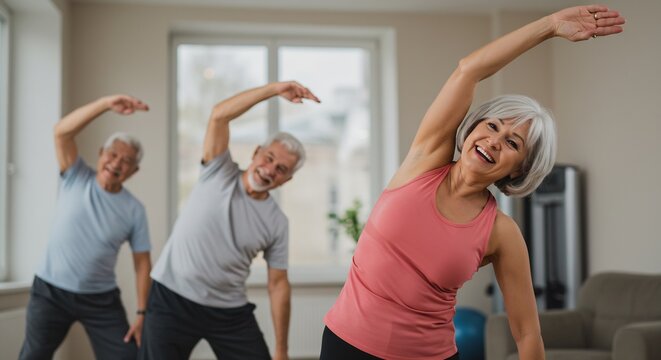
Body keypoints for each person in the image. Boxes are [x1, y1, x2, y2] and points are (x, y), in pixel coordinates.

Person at [322, 5, 625, 360]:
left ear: (519, 169)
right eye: (493, 125)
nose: (494, 140)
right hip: (346, 344)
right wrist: (549, 26)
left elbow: (527, 333)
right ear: (473, 127)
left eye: (513, 143)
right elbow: (469, 70)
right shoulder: (425, 160)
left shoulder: (500, 232)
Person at [141, 81, 320, 360]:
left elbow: (278, 284)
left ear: (286, 180)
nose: (269, 169)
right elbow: (219, 115)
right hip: (171, 299)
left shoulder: (277, 223)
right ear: (256, 152)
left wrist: (282, 350)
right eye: (268, 158)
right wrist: (274, 90)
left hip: (228, 310)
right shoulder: (218, 171)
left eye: (280, 168)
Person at [20, 95, 153, 360]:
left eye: (126, 161)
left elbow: (142, 264)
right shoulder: (75, 176)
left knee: (128, 356)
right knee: (33, 356)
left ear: (134, 171)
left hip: (100, 299)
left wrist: (142, 313)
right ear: (101, 155)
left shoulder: (135, 210)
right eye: (113, 154)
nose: (116, 163)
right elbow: (61, 132)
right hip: (50, 292)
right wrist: (106, 105)